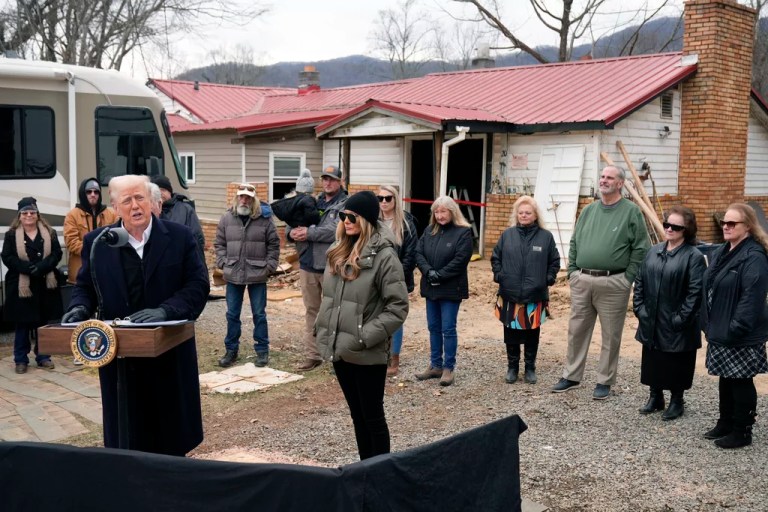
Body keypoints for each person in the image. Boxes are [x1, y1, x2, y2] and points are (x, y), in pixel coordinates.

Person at [61, 175, 209, 456]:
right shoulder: (97, 242)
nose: (135, 206)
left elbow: (198, 285)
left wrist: (166, 310)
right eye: (126, 200)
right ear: (115, 207)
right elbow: (85, 287)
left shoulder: (180, 237)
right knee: (127, 437)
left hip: (168, 351)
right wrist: (78, 307)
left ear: (153, 201)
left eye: (140, 197)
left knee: (171, 435)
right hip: (120, 359)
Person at [315, 191, 409, 460]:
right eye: (343, 216)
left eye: (352, 216)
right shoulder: (338, 251)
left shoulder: (385, 256)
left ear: (366, 219)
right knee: (357, 416)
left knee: (373, 417)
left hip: (366, 350)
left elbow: (398, 307)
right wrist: (323, 330)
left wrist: (363, 336)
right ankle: (365, 470)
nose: (346, 220)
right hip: (340, 348)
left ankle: (380, 474)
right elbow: (330, 299)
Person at [552, 165, 650, 400]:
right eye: (602, 176)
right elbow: (574, 241)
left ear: (620, 184)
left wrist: (627, 278)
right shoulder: (589, 210)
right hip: (582, 280)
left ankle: (604, 380)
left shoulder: (631, 212)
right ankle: (572, 376)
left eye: (610, 178)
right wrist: (573, 271)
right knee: (576, 331)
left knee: (611, 334)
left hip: (614, 282)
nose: (604, 180)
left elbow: (641, 247)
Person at [701, 203, 768, 449]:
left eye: (732, 223)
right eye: (724, 223)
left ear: (748, 226)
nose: (726, 227)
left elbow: (752, 297)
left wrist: (735, 328)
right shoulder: (724, 250)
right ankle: (725, 422)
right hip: (721, 328)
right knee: (726, 378)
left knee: (740, 380)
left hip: (741, 333)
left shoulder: (754, 256)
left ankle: (742, 431)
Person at [633, 206, 706, 420]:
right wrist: (640, 309)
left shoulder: (693, 256)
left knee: (676, 362)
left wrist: (680, 318)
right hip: (651, 316)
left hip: (677, 320)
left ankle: (677, 401)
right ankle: (655, 397)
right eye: (667, 225)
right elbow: (640, 281)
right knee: (653, 358)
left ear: (687, 230)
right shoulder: (653, 251)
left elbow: (695, 292)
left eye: (676, 226)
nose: (670, 229)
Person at [491, 196, 560, 385]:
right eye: (520, 212)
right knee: (510, 333)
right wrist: (499, 275)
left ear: (535, 215)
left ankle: (530, 368)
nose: (524, 215)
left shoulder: (545, 237)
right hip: (510, 293)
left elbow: (554, 261)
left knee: (532, 333)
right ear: (516, 214)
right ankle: (512, 367)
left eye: (528, 212)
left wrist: (547, 278)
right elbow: (496, 257)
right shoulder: (507, 235)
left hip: (534, 294)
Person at [287, 165, 348, 371]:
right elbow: (292, 222)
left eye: (332, 179)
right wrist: (291, 234)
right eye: (325, 179)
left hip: (332, 266)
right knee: (311, 310)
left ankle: (336, 355)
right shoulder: (311, 201)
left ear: (340, 181)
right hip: (307, 265)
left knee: (334, 311)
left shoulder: (345, 203)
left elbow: (336, 230)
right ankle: (313, 355)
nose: (328, 182)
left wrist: (309, 233)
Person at [214, 183, 280, 368]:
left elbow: (274, 245)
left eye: (248, 198)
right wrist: (223, 262)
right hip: (233, 273)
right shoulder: (227, 218)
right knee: (232, 314)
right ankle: (231, 351)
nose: (244, 200)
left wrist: (270, 266)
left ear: (253, 200)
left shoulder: (264, 219)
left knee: (259, 314)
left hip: (258, 273)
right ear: (237, 198)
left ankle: (262, 351)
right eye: (241, 197)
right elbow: (219, 243)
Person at [414, 196, 473, 386]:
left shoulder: (463, 232)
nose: (439, 216)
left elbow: (461, 259)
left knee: (448, 329)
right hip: (431, 287)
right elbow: (418, 252)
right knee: (433, 327)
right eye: (436, 212)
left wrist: (440, 274)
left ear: (452, 211)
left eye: (443, 211)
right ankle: (435, 365)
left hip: (450, 288)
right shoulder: (429, 231)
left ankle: (448, 367)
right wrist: (428, 271)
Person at [2, 197, 63, 374]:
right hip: (21, 287)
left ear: (37, 214)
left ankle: (43, 356)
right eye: (25, 213)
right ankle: (20, 359)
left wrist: (42, 267)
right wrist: (28, 268)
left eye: (32, 212)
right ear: (19, 215)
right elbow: (7, 257)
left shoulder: (49, 232)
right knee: (22, 324)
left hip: (44, 284)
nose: (29, 215)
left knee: (43, 323)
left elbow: (57, 254)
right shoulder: (11, 235)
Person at [377, 184, 417, 377]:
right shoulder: (373, 221)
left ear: (395, 200)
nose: (383, 202)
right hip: (375, 278)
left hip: (398, 278)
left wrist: (396, 274)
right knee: (377, 316)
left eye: (388, 198)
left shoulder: (406, 222)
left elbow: (411, 254)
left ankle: (394, 357)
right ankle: (380, 355)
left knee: (396, 319)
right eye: (380, 198)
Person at [63, 177, 118, 285]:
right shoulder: (72, 215)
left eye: (96, 192)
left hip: (106, 272)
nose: (93, 194)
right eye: (89, 192)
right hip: (81, 272)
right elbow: (71, 242)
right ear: (83, 194)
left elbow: (117, 238)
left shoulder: (111, 214)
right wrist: (94, 250)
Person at [151, 175, 206, 266]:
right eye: (157, 191)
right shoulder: (148, 211)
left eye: (163, 190)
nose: (160, 193)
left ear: (170, 192)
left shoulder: (185, 209)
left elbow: (197, 238)